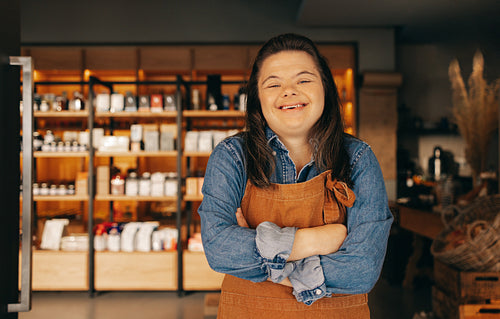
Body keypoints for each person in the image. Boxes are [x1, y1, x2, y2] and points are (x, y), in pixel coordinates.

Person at [198, 33, 393, 318]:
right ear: (257, 97)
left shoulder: (358, 158)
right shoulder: (232, 156)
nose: (289, 91)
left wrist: (268, 258)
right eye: (273, 83)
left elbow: (362, 270)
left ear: (325, 87)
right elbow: (218, 250)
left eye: (303, 80)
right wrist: (316, 241)